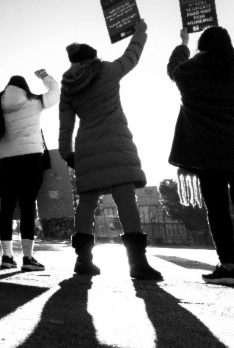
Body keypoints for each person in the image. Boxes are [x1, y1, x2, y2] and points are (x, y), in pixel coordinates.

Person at [167, 26, 234, 288]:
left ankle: (227, 266)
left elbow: (173, 67)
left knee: (218, 210)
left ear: (201, 47)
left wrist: (183, 43)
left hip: (207, 150)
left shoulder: (190, 71)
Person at [59, 19, 162, 280]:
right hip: (116, 143)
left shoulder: (68, 88)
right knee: (125, 199)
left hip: (86, 148)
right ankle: (138, 264)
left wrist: (66, 154)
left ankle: (83, 261)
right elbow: (132, 56)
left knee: (87, 202)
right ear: (93, 58)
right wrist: (140, 32)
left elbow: (65, 126)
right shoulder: (107, 71)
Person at [0, 70, 59, 271]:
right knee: (28, 206)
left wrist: (6, 147)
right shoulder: (34, 102)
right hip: (31, 159)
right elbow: (55, 93)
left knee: (7, 208)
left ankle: (7, 256)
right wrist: (45, 76)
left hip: (7, 161)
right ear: (24, 88)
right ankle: (28, 258)